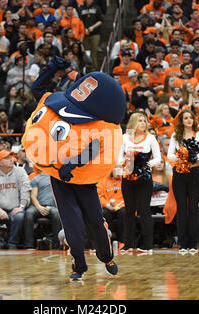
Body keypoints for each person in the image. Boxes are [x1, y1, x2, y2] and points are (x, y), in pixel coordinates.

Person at [24, 56, 125, 280]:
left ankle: (106, 256)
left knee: (96, 222)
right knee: (72, 224)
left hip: (84, 179)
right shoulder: (62, 105)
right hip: (60, 178)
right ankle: (78, 266)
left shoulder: (98, 121)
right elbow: (38, 89)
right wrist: (51, 68)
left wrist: (72, 164)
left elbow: (97, 146)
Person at [117, 111, 162, 253]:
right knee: (129, 211)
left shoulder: (150, 138)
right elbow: (117, 158)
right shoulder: (124, 138)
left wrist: (144, 164)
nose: (143, 123)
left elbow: (158, 158)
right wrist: (127, 163)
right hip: (128, 178)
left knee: (144, 210)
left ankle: (147, 244)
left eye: (144, 121)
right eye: (140, 121)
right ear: (133, 122)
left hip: (144, 179)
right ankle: (128, 243)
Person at [167, 109, 199, 254]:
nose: (189, 120)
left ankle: (193, 244)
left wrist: (192, 157)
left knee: (194, 209)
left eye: (191, 117)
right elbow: (170, 156)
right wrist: (182, 157)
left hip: (194, 173)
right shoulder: (175, 135)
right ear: (181, 121)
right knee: (182, 209)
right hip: (179, 174)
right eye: (185, 118)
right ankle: (183, 244)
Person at [0, 150, 32, 249]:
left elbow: (25, 189)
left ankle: (12, 243)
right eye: (7, 158)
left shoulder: (20, 171)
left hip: (16, 208)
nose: (11, 159)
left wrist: (21, 206)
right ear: (0, 162)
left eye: (11, 157)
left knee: (19, 217)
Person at [23, 170, 62, 250]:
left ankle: (57, 245)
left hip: (52, 206)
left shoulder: (56, 178)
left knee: (57, 214)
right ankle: (29, 245)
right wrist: (39, 207)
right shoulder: (36, 179)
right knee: (28, 213)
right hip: (38, 206)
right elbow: (33, 196)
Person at [97, 165, 125, 244]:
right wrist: (107, 205)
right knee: (104, 213)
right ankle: (107, 240)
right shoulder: (103, 180)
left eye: (120, 168)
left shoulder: (126, 180)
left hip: (121, 206)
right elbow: (99, 196)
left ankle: (122, 242)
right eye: (116, 167)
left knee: (123, 213)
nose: (118, 170)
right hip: (108, 206)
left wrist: (120, 205)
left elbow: (129, 195)